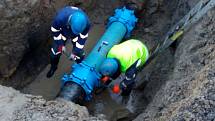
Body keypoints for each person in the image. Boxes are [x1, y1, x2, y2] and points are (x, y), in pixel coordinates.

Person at [47, 6, 91, 78]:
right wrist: (61, 45)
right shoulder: (60, 18)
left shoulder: (87, 23)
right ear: (69, 22)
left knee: (79, 54)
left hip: (77, 36)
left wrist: (75, 52)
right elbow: (55, 30)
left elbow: (83, 37)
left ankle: (80, 68)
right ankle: (53, 67)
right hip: (62, 33)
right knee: (54, 53)